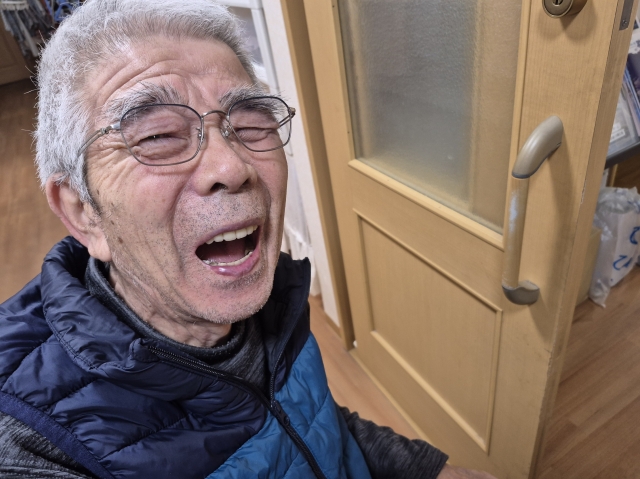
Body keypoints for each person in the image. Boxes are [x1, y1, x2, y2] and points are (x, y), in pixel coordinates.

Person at [0, 1, 497, 478]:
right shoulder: (33, 445)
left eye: (249, 123)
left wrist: (425, 468)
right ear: (83, 212)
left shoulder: (272, 293)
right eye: (157, 136)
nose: (232, 166)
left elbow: (306, 420)